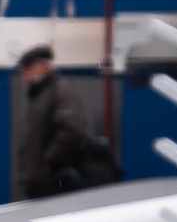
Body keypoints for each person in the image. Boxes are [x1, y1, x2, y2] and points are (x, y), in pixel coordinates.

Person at [13, 45, 115, 198]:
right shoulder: (38, 95)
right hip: (38, 183)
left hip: (53, 183)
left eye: (28, 67)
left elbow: (73, 130)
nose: (24, 74)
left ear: (43, 65)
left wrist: (49, 161)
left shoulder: (59, 91)